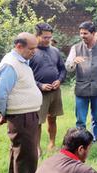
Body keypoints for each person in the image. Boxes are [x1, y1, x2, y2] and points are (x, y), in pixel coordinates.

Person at [0, 32, 42, 173]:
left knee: (20, 150)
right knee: (26, 153)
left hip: (28, 113)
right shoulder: (10, 64)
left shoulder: (22, 61)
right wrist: (3, 112)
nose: (34, 51)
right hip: (21, 116)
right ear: (19, 46)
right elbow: (1, 94)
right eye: (31, 48)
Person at [65, 21, 97, 142]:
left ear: (93, 33)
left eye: (85, 33)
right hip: (82, 89)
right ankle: (81, 142)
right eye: (81, 33)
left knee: (96, 118)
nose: (82, 36)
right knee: (80, 118)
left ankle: (94, 140)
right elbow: (68, 68)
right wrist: (73, 61)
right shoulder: (75, 48)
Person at [29, 22, 66, 152]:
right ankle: (37, 148)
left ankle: (52, 143)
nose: (48, 40)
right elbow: (26, 75)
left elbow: (62, 69)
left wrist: (59, 80)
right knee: (37, 121)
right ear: (37, 36)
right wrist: (40, 85)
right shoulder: (31, 52)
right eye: (45, 37)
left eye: (49, 37)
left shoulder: (55, 51)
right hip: (39, 93)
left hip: (55, 91)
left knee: (53, 118)